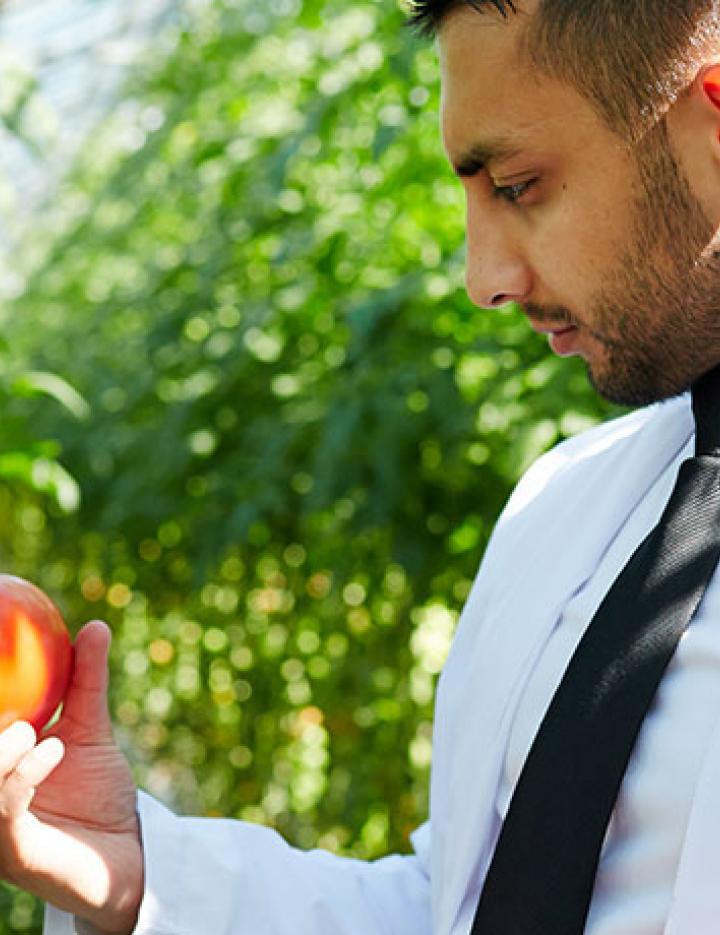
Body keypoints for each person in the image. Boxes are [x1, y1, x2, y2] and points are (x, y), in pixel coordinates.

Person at [3, 0, 720, 931]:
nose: (483, 278)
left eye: (516, 185)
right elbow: (457, 907)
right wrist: (137, 870)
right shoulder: (569, 508)